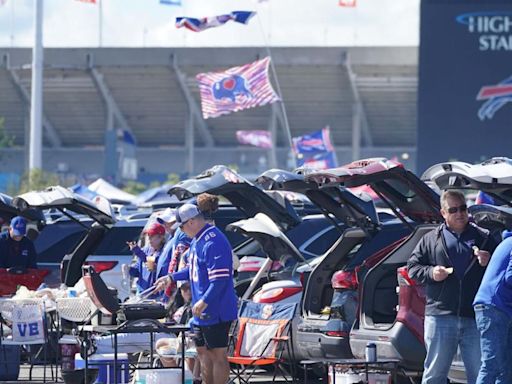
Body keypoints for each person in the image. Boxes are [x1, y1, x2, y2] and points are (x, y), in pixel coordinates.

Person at [407, 189, 498, 384]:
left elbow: (501, 270)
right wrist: (431, 273)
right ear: (443, 213)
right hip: (440, 316)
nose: (460, 213)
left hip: (474, 316)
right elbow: (413, 268)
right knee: (435, 375)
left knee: (480, 374)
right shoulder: (431, 239)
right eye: (454, 209)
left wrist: (489, 261)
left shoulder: (484, 237)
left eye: (463, 208)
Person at [155, 203, 238, 384]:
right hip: (200, 310)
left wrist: (204, 301)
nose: (182, 231)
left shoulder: (213, 241)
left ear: (192, 222)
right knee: (202, 353)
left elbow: (220, 279)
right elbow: (192, 269)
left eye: (182, 226)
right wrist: (171, 278)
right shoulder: (196, 240)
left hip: (216, 308)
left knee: (217, 354)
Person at [473, 229, 512, 384]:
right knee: (492, 365)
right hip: (494, 308)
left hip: (497, 308)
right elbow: (510, 278)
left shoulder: (507, 242)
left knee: (506, 368)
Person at [154, 208, 192, 302]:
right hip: (169, 281)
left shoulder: (182, 235)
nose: (165, 225)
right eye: (164, 222)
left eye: (168, 222)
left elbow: (183, 262)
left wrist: (172, 279)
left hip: (179, 284)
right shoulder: (171, 237)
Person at [126, 222, 166, 298]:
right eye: (148, 236)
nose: (149, 238)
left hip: (155, 295)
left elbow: (154, 266)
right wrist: (129, 269)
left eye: (152, 236)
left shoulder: (164, 252)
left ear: (161, 237)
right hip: (141, 293)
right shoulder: (145, 250)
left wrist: (138, 252)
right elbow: (137, 271)